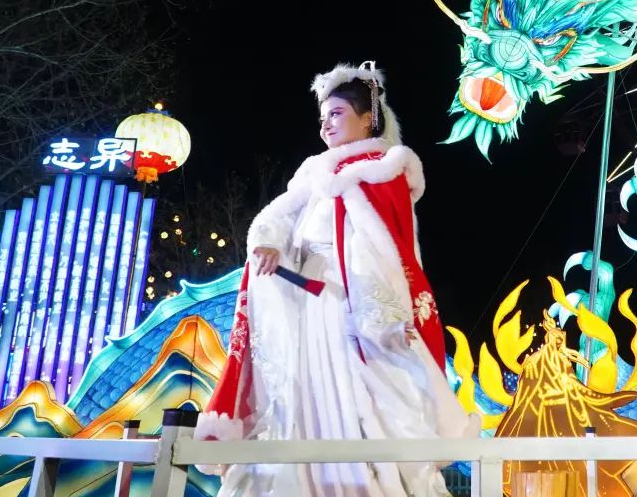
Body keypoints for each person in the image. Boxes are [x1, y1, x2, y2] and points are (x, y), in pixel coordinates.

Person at [194, 61, 477, 496]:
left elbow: (384, 254)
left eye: (337, 113)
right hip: (304, 304)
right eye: (323, 116)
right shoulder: (314, 171)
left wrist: (382, 315)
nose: (326, 124)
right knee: (295, 400)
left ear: (367, 119)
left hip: (351, 304)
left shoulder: (384, 170)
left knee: (360, 401)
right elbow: (277, 216)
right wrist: (268, 243)